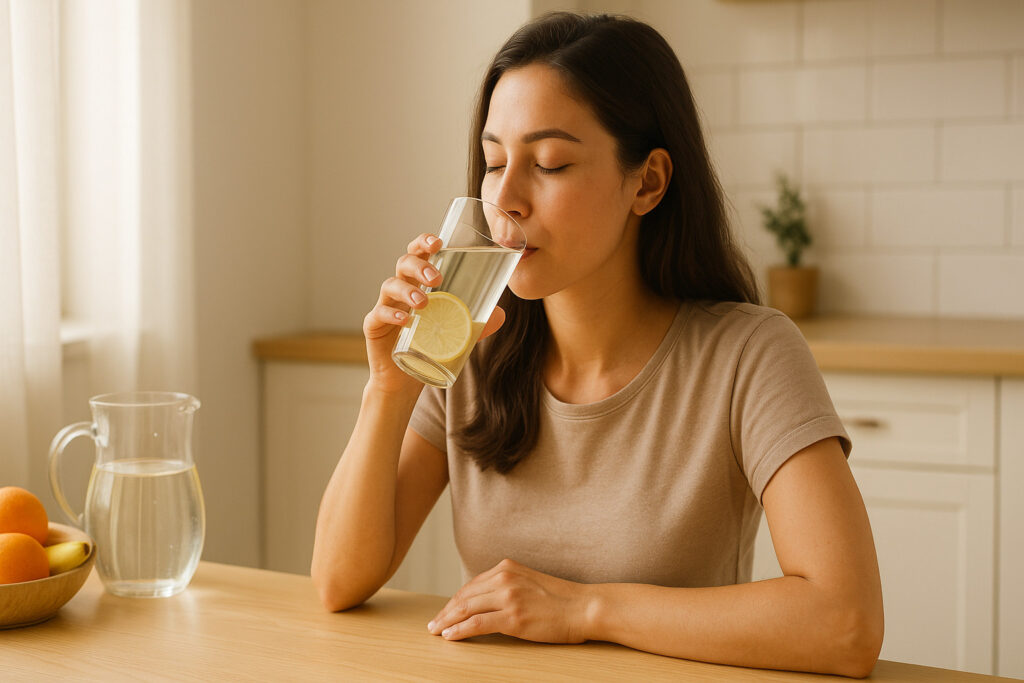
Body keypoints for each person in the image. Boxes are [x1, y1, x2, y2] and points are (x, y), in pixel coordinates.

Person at [312, 12, 883, 678]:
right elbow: (337, 581)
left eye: (550, 163)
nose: (508, 199)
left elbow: (845, 623)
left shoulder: (748, 355)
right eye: (495, 163)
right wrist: (389, 385)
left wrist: (584, 610)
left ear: (648, 183)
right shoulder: (474, 347)